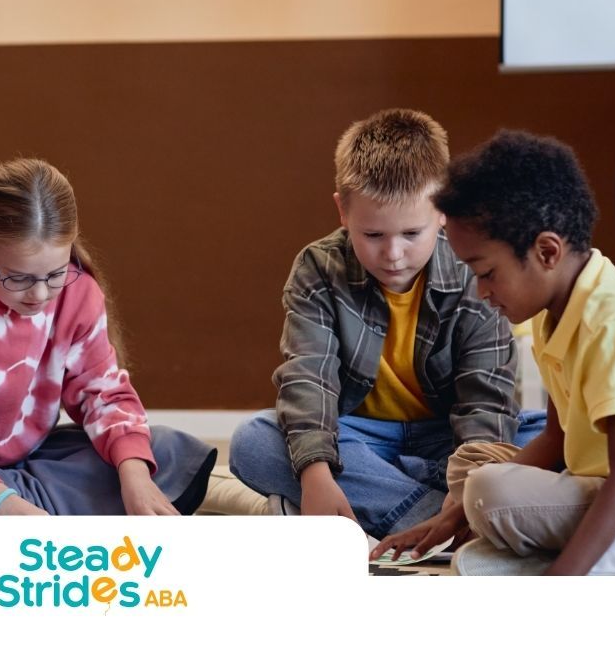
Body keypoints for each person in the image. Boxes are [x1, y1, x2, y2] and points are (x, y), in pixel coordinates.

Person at [372, 129, 615, 574]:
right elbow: (555, 438)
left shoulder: (613, 323)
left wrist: (563, 579)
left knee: (491, 490)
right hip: (601, 481)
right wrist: (449, 518)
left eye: (486, 272)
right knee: (478, 483)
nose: (480, 289)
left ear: (547, 251)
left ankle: (571, 561)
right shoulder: (555, 315)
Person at [229, 108, 544, 538]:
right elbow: (308, 379)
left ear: (443, 211)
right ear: (343, 211)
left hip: (447, 437)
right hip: (359, 437)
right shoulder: (318, 268)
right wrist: (316, 475)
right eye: (373, 236)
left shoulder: (474, 268)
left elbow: (485, 398)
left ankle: (396, 508)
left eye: (411, 234)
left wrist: (471, 473)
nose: (393, 254)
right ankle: (446, 523)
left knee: (550, 436)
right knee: (255, 440)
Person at [0, 158, 216, 515]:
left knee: (163, 451)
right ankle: (19, 505)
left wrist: (135, 478)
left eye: (55, 274)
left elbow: (103, 394)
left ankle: (15, 506)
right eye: (19, 278)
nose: (40, 295)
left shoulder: (80, 292)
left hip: (33, 461)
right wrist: (2, 500)